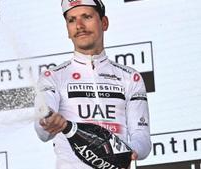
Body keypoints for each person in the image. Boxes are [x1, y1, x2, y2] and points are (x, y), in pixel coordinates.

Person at [34, 0, 151, 168]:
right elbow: (42, 133)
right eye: (72, 20)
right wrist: (48, 121)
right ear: (67, 29)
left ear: (104, 23)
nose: (79, 25)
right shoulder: (52, 77)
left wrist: (124, 152)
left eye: (86, 17)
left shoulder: (130, 77)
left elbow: (142, 139)